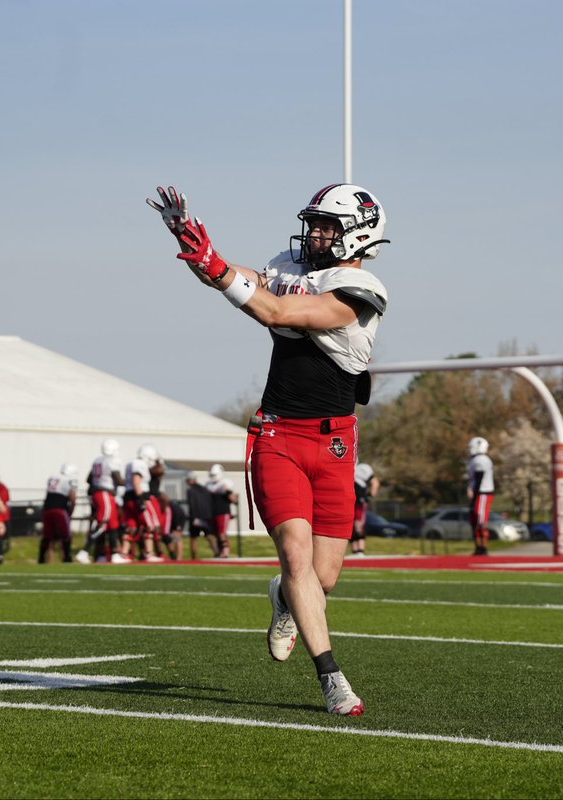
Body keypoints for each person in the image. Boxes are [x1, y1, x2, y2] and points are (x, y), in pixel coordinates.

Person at [148, 182, 389, 716]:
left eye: (328, 225)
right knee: (297, 556)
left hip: (334, 445)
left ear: (359, 232)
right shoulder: (292, 264)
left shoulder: (363, 288)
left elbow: (277, 312)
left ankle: (283, 597)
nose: (316, 233)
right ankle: (332, 677)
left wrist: (215, 267)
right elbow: (241, 279)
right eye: (315, 223)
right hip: (279, 434)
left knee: (320, 579)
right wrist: (195, 248)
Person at [76, 439, 126, 564]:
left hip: (98, 493)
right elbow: (118, 480)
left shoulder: (97, 460)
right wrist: (130, 482)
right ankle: (84, 551)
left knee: (112, 524)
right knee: (102, 523)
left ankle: (114, 554)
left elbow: (88, 479)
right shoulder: (113, 461)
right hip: (105, 493)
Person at [123, 443, 164, 562]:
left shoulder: (131, 463)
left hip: (129, 496)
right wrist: (141, 499)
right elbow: (137, 481)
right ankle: (149, 553)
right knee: (150, 525)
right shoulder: (139, 464)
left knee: (132, 526)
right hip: (139, 496)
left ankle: (124, 553)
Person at [41, 463, 79, 564]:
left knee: (47, 536)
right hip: (60, 509)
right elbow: (73, 498)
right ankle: (67, 558)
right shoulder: (71, 479)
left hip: (47, 509)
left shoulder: (53, 477)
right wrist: (71, 511)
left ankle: (41, 559)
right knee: (66, 535)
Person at [467, 436, 494, 556]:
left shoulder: (481, 460)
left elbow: (479, 478)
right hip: (479, 494)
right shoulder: (475, 460)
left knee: (480, 520)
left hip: (483, 493)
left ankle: (483, 546)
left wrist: (474, 494)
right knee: (475, 520)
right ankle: (478, 546)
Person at [205, 463, 237, 558]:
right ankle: (220, 551)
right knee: (215, 533)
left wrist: (228, 492)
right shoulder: (208, 484)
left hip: (223, 511)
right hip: (213, 512)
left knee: (222, 533)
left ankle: (225, 551)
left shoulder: (225, 483)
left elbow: (234, 499)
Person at [350, 462, 380, 557]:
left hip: (359, 500)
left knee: (358, 524)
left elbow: (375, 482)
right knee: (350, 525)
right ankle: (354, 551)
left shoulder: (363, 468)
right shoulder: (347, 465)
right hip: (350, 499)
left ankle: (360, 550)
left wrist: (370, 496)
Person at [184, 471, 214, 559]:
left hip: (196, 517)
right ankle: (217, 552)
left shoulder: (190, 491)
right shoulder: (205, 489)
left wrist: (193, 517)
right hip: (207, 516)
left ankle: (194, 558)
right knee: (209, 535)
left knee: (194, 537)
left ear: (191, 480)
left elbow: (192, 504)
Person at [157, 491, 186, 560]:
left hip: (177, 516)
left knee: (177, 536)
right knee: (170, 537)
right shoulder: (168, 505)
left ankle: (179, 557)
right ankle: (174, 556)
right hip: (176, 516)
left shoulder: (170, 507)